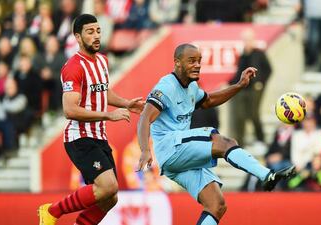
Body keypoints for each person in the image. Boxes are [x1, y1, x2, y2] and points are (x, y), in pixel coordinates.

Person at [137, 44, 295, 225]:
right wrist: (144, 150)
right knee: (224, 142)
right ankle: (266, 176)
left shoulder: (192, 86)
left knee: (216, 205)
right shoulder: (166, 86)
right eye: (191, 61)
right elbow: (144, 118)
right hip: (171, 146)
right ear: (177, 63)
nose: (197, 65)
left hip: (177, 159)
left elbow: (209, 100)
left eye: (199, 61)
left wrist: (239, 85)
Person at [38, 14, 145, 225]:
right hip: (80, 138)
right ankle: (51, 211)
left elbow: (103, 92)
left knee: (110, 198)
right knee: (108, 187)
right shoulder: (73, 67)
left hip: (99, 137)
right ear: (78, 37)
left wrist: (126, 104)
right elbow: (69, 109)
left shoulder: (103, 61)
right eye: (90, 32)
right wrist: (108, 114)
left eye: (98, 31)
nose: (96, 36)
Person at [229, 28, 272, 146]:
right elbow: (238, 74)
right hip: (243, 89)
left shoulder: (259, 53)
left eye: (248, 39)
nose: (246, 42)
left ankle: (261, 139)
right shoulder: (242, 55)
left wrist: (260, 82)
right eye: (245, 40)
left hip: (255, 88)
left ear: (253, 40)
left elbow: (268, 70)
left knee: (254, 114)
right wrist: (229, 83)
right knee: (240, 116)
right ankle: (240, 143)